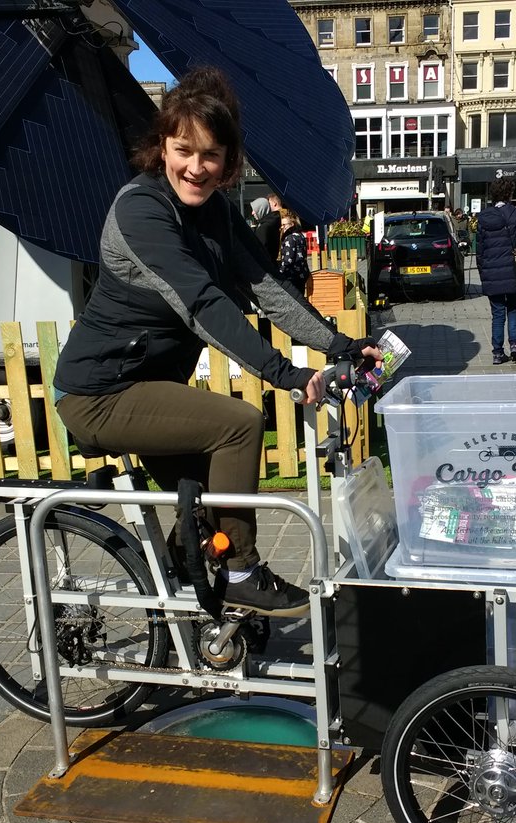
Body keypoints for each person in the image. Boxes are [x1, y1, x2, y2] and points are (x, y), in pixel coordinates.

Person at [51, 67, 380, 616]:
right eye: (185, 150)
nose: (196, 168)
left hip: (151, 388)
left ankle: (198, 600)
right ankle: (242, 570)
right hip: (100, 393)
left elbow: (268, 289)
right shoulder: (140, 210)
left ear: (229, 162)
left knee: (203, 508)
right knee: (238, 424)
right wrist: (287, 376)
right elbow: (202, 304)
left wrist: (341, 345)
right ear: (162, 147)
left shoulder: (219, 216)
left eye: (211, 155)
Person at [476, 177, 516, 365]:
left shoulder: (483, 217)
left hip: (492, 272)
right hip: (513, 270)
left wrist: (483, 272)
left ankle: (497, 352)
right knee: (514, 309)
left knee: (498, 313)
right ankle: (515, 346)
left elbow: (480, 250)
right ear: (510, 193)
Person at [277, 208, 310, 294]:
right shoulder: (301, 236)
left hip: (292, 276)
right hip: (302, 274)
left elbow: (288, 260)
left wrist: (280, 272)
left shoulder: (289, 238)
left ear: (292, 224)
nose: (282, 227)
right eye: (281, 225)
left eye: (284, 225)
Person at [255, 192, 283, 262]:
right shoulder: (289, 214)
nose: (268, 206)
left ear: (274, 203)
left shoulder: (272, 220)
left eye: (269, 203)